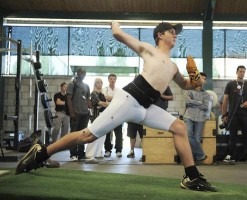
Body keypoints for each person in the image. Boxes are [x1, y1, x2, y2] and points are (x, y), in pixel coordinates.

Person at [16, 21, 216, 192]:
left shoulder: (173, 66)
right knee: (88, 135)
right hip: (129, 99)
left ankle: (191, 177)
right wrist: (114, 23)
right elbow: (118, 34)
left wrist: (196, 80)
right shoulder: (148, 49)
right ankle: (41, 152)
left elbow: (184, 84)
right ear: (159, 35)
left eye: (176, 33)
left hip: (145, 107)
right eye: (171, 31)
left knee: (179, 127)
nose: (175, 34)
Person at [221, 65, 247, 163]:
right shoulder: (230, 84)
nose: (242, 73)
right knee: (232, 135)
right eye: (240, 71)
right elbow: (225, 101)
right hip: (233, 114)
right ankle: (230, 155)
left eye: (243, 72)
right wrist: (224, 115)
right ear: (236, 72)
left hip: (245, 114)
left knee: (246, 135)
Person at [183, 72, 211, 165]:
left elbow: (206, 107)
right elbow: (187, 102)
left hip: (200, 118)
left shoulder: (207, 95)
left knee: (197, 139)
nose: (202, 80)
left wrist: (193, 102)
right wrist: (199, 102)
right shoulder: (189, 91)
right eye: (200, 78)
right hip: (189, 116)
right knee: (188, 135)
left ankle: (194, 160)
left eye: (204, 79)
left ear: (205, 81)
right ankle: (200, 155)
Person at [67, 68, 92, 161]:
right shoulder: (72, 84)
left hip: (85, 113)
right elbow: (69, 99)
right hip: (75, 113)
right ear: (77, 73)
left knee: (83, 135)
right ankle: (73, 154)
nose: (83, 74)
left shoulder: (86, 86)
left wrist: (90, 105)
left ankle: (81, 154)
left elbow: (88, 99)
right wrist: (71, 112)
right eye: (81, 72)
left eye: (84, 73)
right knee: (74, 134)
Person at [85, 78, 109, 164]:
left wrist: (106, 104)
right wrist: (108, 104)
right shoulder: (93, 93)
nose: (100, 84)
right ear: (95, 84)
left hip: (104, 115)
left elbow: (104, 103)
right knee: (95, 135)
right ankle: (89, 154)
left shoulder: (102, 93)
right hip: (96, 116)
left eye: (101, 82)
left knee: (102, 135)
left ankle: (98, 153)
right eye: (98, 83)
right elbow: (100, 103)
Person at [103, 73, 123, 158]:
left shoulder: (119, 90)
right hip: (107, 113)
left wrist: (110, 98)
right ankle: (108, 150)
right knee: (107, 132)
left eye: (114, 79)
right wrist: (114, 98)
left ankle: (118, 150)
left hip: (117, 113)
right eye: (111, 78)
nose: (112, 80)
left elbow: (119, 100)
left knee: (118, 133)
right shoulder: (104, 89)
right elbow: (105, 98)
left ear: (116, 80)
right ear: (108, 80)